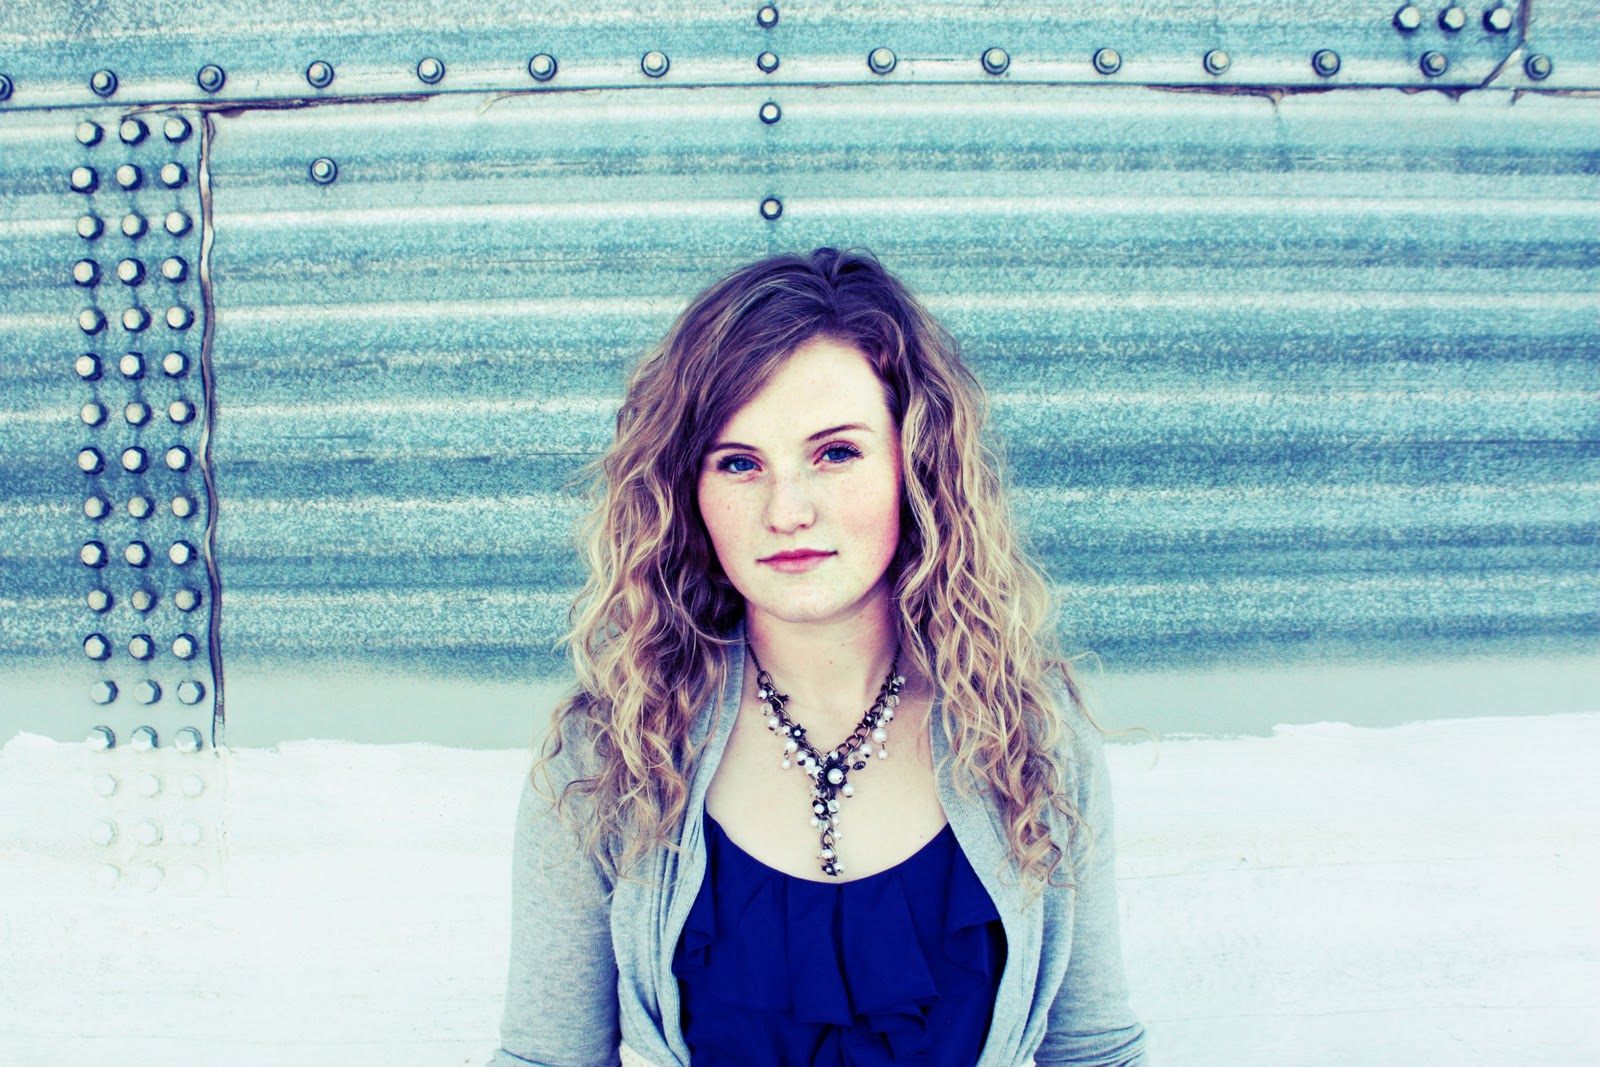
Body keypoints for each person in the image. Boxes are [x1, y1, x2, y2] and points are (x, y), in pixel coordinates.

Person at [490, 248, 1147, 1067]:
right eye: (739, 462)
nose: (788, 509)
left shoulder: (1029, 736)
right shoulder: (607, 756)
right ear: (689, 491)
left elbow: (1093, 1052)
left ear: (916, 463)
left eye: (835, 452)